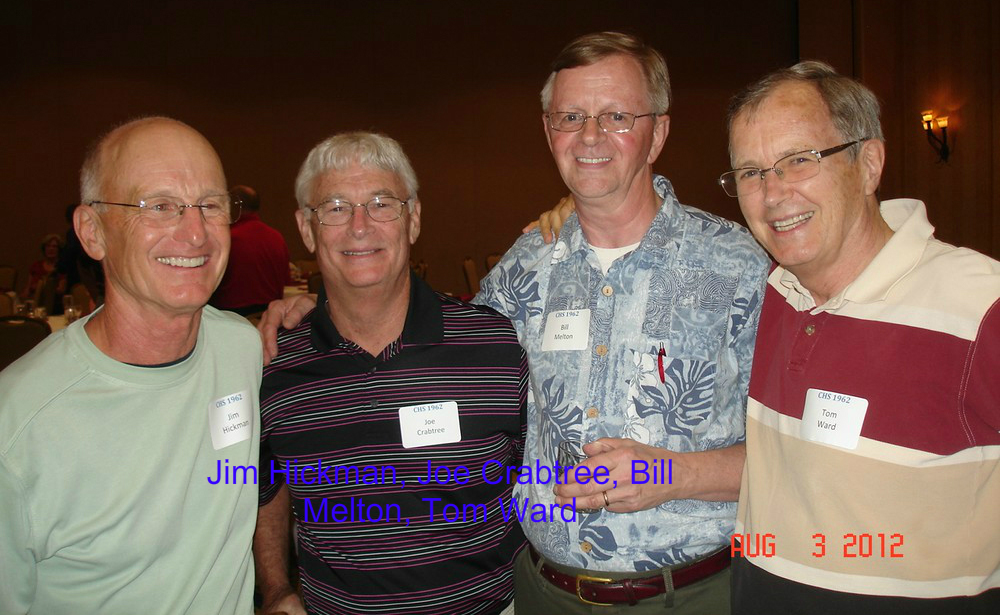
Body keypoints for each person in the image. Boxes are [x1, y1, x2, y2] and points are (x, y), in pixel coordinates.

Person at [478, 31, 768, 613]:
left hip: (692, 595)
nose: (590, 136)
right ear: (549, 132)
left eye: (616, 116)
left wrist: (674, 475)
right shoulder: (524, 266)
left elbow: (800, 453)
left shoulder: (739, 264)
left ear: (657, 133)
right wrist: (327, 311)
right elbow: (444, 359)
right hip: (546, 593)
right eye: (571, 117)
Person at [721, 61, 1000, 612]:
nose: (772, 193)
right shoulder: (770, 295)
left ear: (868, 164)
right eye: (751, 172)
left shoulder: (979, 305)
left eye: (799, 160)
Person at [254, 132, 527, 615]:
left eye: (382, 204)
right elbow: (266, 483)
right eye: (335, 207)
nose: (360, 227)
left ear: (413, 218)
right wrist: (276, 588)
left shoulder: (495, 347)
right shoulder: (274, 363)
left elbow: (540, 475)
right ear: (306, 229)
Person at [0, 117, 261, 615]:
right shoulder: (17, 430)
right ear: (92, 232)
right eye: (159, 206)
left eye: (210, 205)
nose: (196, 233)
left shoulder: (240, 347)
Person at [210, 184, 291, 315]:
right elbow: (286, 280)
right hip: (270, 315)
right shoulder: (276, 237)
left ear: (232, 206)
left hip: (231, 315)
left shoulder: (229, 239)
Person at [21, 233, 65, 307]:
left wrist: (42, 287)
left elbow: (61, 290)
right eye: (48, 246)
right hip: (33, 303)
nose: (51, 249)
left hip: (54, 305)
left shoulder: (62, 267)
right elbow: (27, 289)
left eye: (54, 246)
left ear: (59, 249)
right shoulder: (36, 266)